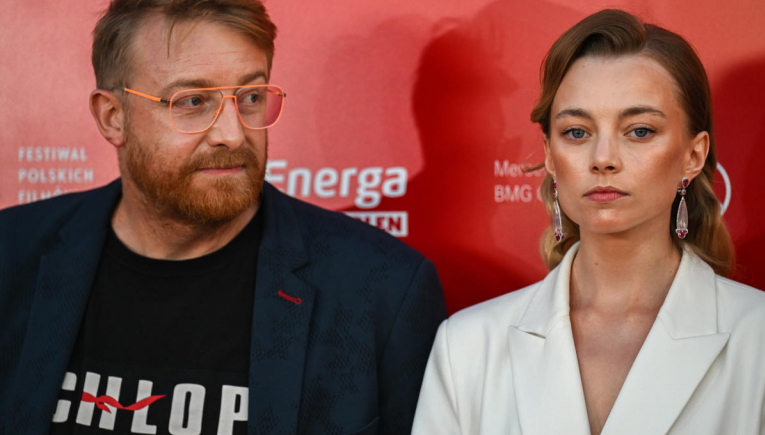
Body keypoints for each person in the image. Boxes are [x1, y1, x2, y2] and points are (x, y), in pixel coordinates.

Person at [0, 1, 447, 434]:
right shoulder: (10, 252)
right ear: (112, 117)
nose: (233, 134)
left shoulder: (381, 289)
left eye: (250, 96)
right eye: (193, 101)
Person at [411, 9, 765, 435]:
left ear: (694, 155)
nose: (603, 159)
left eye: (640, 131)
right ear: (549, 155)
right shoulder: (466, 347)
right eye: (577, 132)